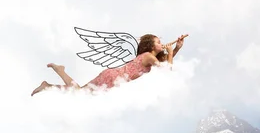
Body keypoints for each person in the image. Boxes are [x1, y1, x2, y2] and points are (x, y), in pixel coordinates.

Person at [31, 34, 186, 96]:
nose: (162, 44)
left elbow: (165, 64)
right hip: (112, 78)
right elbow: (167, 71)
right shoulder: (148, 57)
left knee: (80, 93)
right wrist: (172, 52)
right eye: (158, 42)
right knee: (80, 95)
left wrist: (177, 48)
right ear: (151, 47)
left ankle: (53, 80)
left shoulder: (150, 58)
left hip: (111, 75)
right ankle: (54, 78)